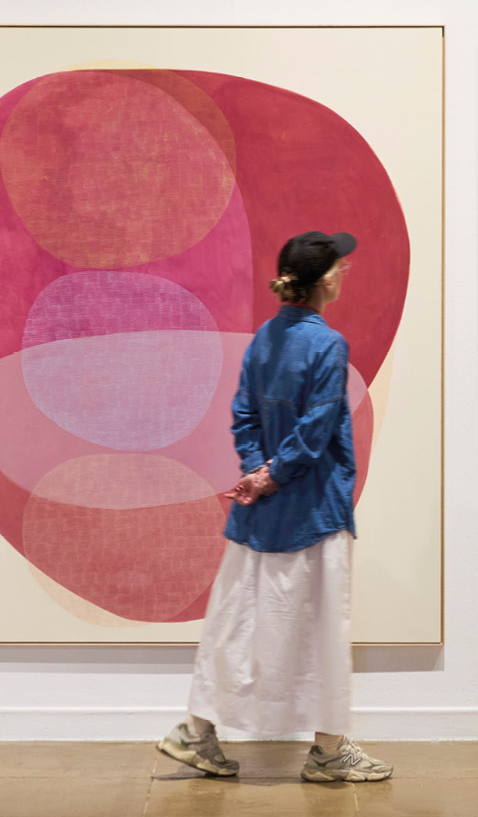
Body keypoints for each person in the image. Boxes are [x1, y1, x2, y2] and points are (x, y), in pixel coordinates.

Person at [157, 231, 393, 784]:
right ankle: (329, 752)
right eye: (341, 267)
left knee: (234, 624)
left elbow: (243, 415)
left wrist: (257, 474)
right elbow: (316, 430)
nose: (345, 273)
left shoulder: (264, 338)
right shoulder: (328, 345)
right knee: (322, 629)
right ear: (325, 280)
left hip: (258, 514)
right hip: (313, 511)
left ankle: (195, 732)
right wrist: (272, 475)